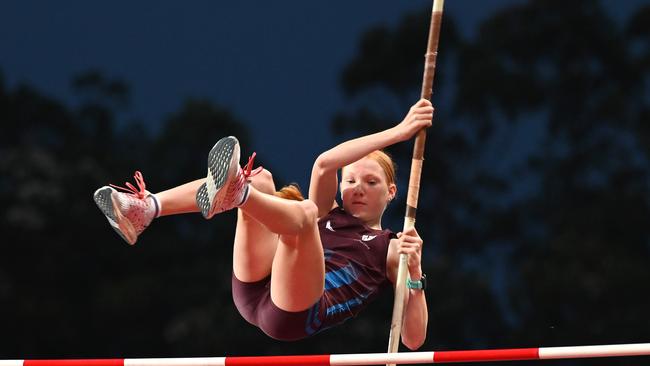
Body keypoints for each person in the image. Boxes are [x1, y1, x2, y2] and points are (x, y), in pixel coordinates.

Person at [93, 99, 433, 349]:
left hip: (297, 313)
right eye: (351, 181)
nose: (357, 188)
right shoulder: (333, 211)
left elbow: (414, 341)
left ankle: (237, 193)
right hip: (256, 286)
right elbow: (325, 164)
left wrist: (414, 274)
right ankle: (147, 208)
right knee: (262, 178)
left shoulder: (391, 247)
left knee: (303, 216)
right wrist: (398, 132)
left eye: (370, 182)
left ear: (391, 192)